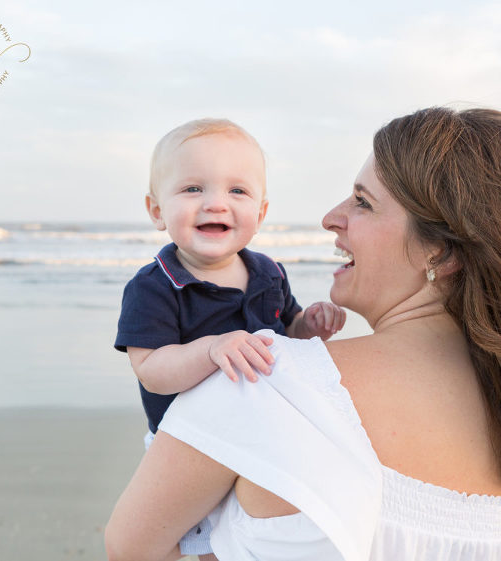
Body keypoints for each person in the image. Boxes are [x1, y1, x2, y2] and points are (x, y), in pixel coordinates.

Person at [106, 107, 501, 561]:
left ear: (442, 251)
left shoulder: (263, 382)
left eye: (362, 202)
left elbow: (130, 549)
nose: (330, 217)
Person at [114, 118, 346, 558]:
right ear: (156, 210)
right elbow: (152, 372)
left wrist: (310, 327)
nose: (216, 204)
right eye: (192, 189)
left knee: (243, 544)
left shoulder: (269, 273)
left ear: (260, 213)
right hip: (188, 444)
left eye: (237, 191)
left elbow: (286, 334)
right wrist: (210, 348)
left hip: (262, 438)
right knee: (174, 544)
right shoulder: (155, 286)